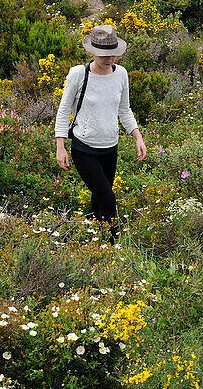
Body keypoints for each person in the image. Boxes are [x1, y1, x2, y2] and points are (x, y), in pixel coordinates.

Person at [54, 24, 147, 241]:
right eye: (104, 54)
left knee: (98, 198)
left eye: (113, 53)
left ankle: (92, 242)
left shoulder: (121, 74)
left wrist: (137, 136)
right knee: (108, 199)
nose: (109, 58)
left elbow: (124, 110)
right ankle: (112, 246)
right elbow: (63, 110)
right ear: (92, 51)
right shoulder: (78, 74)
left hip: (110, 148)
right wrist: (61, 147)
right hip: (83, 149)